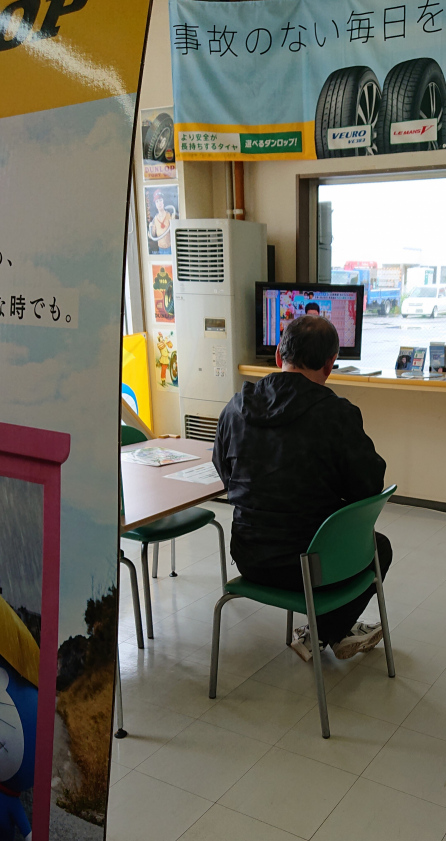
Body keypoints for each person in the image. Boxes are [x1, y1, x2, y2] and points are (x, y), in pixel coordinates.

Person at [212, 315, 392, 661]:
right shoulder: (337, 414)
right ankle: (325, 632)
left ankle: (327, 631)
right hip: (312, 565)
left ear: (279, 355)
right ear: (329, 364)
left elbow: (225, 473)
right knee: (378, 547)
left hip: (250, 557)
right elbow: (368, 487)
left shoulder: (235, 408)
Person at [148, 190, 173, 254]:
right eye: (157, 201)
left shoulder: (169, 216)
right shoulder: (155, 219)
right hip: (161, 249)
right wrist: (150, 229)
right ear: (155, 204)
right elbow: (152, 235)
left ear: (163, 201)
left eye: (160, 200)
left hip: (170, 248)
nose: (159, 203)